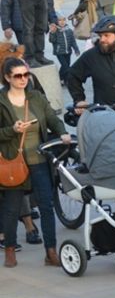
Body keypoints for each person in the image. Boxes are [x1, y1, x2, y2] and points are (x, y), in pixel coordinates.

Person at [0, 56, 70, 268]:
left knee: (47, 205)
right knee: (12, 209)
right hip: (14, 161)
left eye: (26, 74)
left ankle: (50, 251)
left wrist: (63, 133)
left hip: (39, 158)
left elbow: (52, 119)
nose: (23, 79)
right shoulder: (1, 101)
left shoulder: (36, 97)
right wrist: (12, 130)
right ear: (7, 78)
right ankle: (10, 250)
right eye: (18, 76)